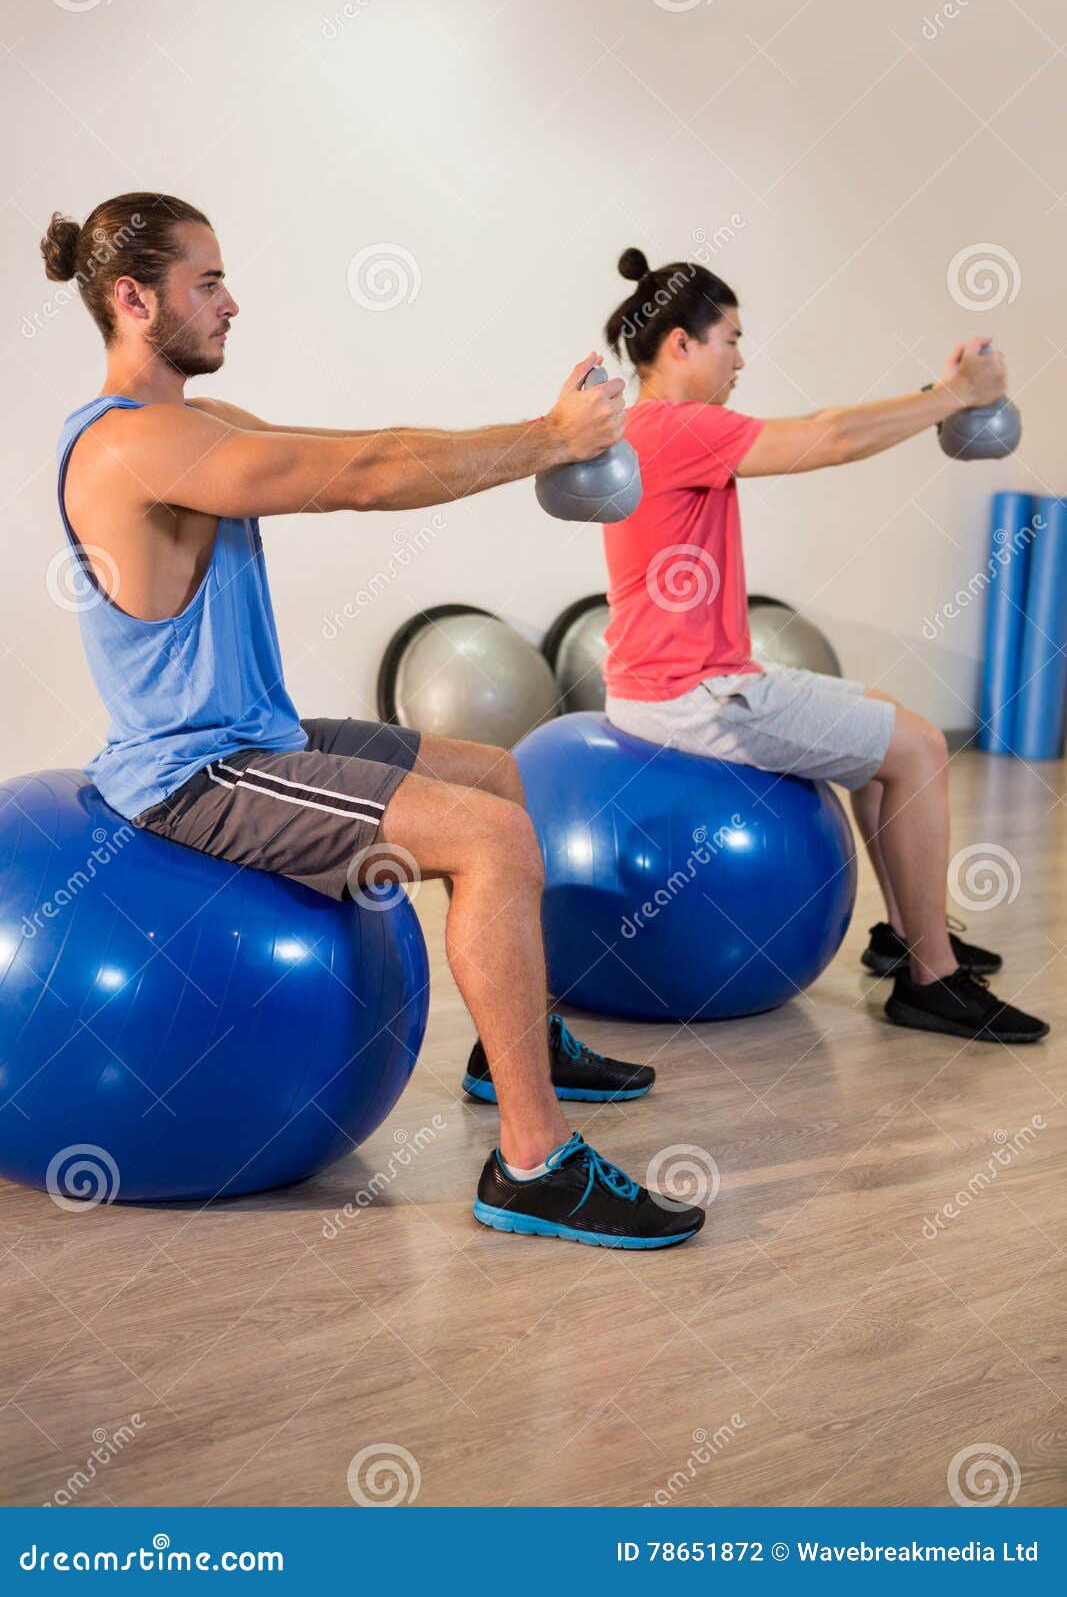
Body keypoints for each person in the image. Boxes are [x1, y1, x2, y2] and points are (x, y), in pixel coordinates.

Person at [40, 193, 706, 1250]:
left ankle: (511, 1045)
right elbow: (356, 480)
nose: (231, 302)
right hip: (193, 770)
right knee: (489, 842)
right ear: (133, 298)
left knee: (492, 774)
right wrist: (545, 441)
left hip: (256, 730)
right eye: (206, 282)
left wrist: (532, 435)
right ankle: (533, 1164)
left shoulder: (199, 425)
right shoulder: (130, 448)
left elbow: (371, 446)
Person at [600, 247, 1047, 1045]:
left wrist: (932, 399)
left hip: (698, 673)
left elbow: (832, 430)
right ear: (679, 345)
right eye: (729, 339)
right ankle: (931, 981)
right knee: (917, 749)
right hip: (686, 695)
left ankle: (908, 932)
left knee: (891, 726)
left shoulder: (650, 426)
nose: (739, 358)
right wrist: (950, 396)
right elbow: (828, 437)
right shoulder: (673, 425)